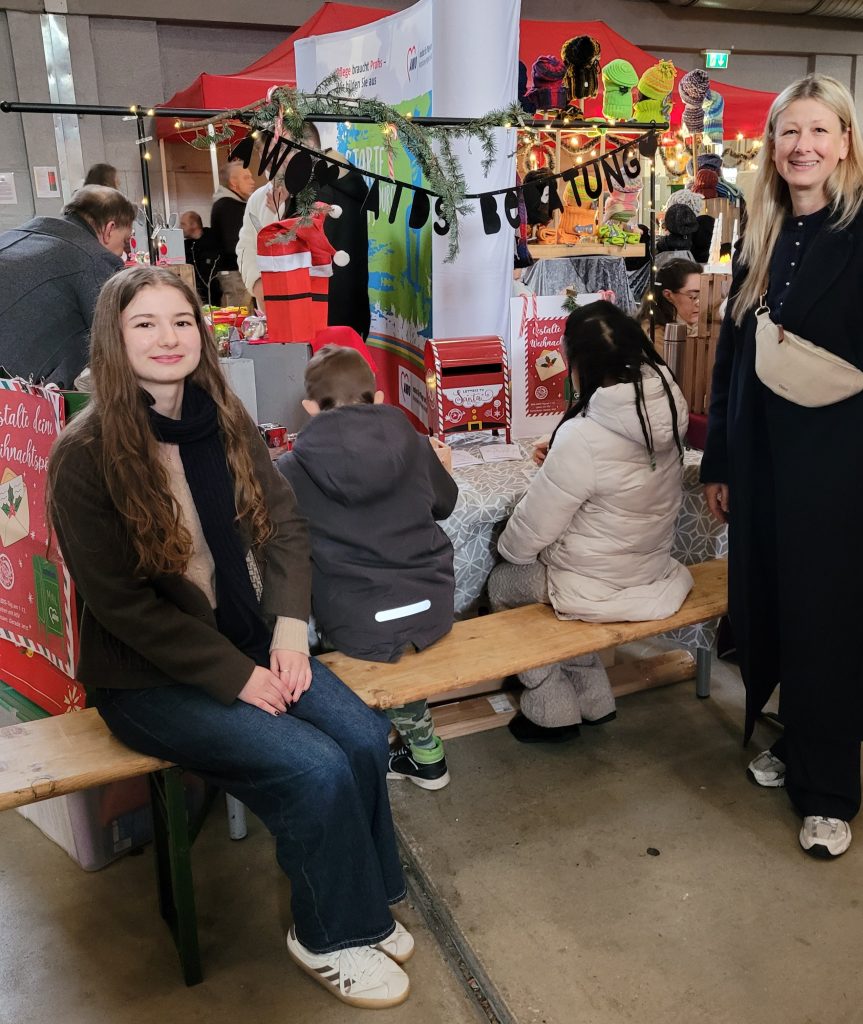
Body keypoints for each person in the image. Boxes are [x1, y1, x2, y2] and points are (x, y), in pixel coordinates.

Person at [46, 266, 412, 1008]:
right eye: (143, 323)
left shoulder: (223, 415)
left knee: (365, 740)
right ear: (114, 340)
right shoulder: (82, 456)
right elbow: (122, 607)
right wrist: (238, 677)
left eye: (180, 321)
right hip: (147, 675)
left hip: (248, 636)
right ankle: (329, 934)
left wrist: (284, 633)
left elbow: (283, 528)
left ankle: (364, 898)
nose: (167, 338)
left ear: (202, 334)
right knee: (312, 768)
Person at [700, 74, 863, 859]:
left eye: (818, 131)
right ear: (772, 147)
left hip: (846, 464)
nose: (802, 147)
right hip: (768, 461)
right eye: (788, 133)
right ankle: (796, 740)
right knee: (777, 604)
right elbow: (735, 355)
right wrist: (721, 462)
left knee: (833, 621)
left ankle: (831, 790)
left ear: (845, 141)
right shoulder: (765, 230)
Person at [488, 300, 692, 743]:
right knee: (558, 589)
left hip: (599, 584)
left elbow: (526, 539)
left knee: (505, 583)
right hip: (650, 571)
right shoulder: (666, 405)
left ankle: (550, 708)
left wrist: (507, 545)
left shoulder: (585, 436)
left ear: (582, 363)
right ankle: (595, 698)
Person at [277, 341, 459, 791]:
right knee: (390, 636)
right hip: (434, 606)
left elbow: (282, 547)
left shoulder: (290, 468)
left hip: (357, 621)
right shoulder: (415, 445)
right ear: (379, 398)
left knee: (302, 637)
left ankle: (384, 750)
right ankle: (424, 752)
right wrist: (444, 468)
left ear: (309, 408)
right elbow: (446, 503)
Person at [0, 185, 134, 387]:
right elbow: (116, 340)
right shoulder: (94, 258)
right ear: (109, 229)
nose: (123, 252)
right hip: (13, 399)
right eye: (125, 241)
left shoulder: (20, 233)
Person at [237, 123, 323, 313]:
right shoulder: (258, 198)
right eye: (262, 152)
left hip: (314, 305)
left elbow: (310, 247)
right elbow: (246, 246)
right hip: (272, 308)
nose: (271, 159)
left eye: (283, 149)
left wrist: (280, 212)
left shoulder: (320, 190)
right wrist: (258, 285)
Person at [210, 159, 256, 307]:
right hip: (236, 274)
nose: (252, 181)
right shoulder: (228, 206)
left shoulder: (233, 204)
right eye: (246, 177)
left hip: (240, 272)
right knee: (239, 319)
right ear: (233, 183)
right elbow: (233, 244)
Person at [639, 257, 703, 361]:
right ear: (668, 295)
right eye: (693, 296)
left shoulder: (704, 328)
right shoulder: (655, 334)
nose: (699, 303)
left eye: (703, 294)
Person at [180, 211, 220, 305]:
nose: (180, 228)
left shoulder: (212, 242)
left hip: (213, 294)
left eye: (183, 224)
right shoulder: (186, 246)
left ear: (193, 224)